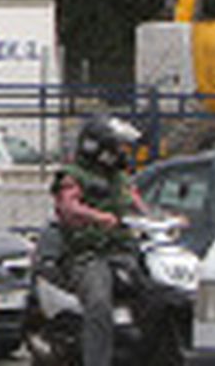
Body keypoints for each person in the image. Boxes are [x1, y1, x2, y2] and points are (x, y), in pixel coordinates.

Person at [51, 116, 149, 366]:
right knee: (98, 303)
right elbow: (68, 206)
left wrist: (163, 219)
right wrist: (98, 217)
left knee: (158, 292)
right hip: (89, 255)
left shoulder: (121, 178)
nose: (121, 153)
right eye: (117, 147)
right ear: (97, 148)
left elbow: (139, 205)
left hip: (124, 251)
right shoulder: (73, 176)